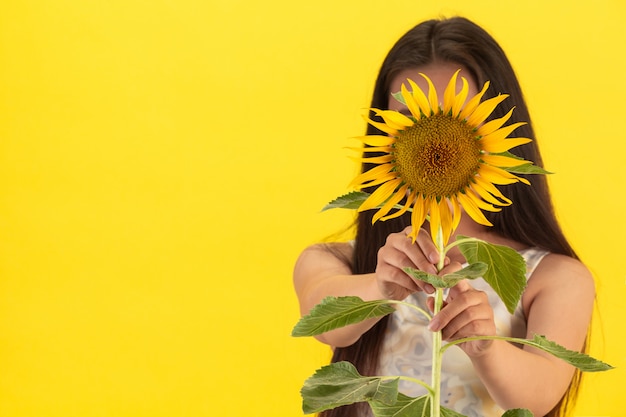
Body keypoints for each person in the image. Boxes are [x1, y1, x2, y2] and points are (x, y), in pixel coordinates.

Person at [293, 16, 594, 417]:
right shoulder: (340, 262)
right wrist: (383, 286)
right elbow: (322, 319)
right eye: (410, 120)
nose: (435, 140)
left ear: (497, 128)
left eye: (458, 118)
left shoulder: (552, 277)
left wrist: (486, 345)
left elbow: (537, 398)